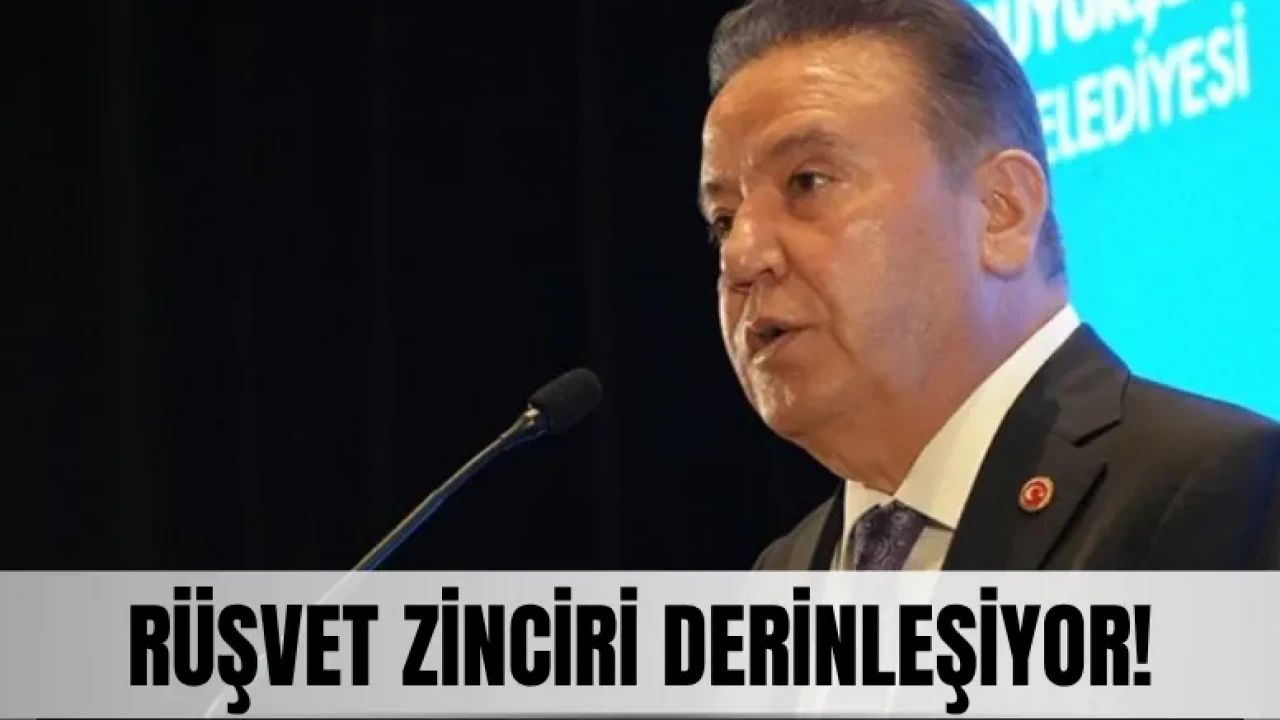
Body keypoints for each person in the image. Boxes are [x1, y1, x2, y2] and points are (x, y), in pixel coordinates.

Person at [698, 0, 1280, 571]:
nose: (740, 255)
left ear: (1003, 211)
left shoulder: (1221, 494)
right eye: (723, 220)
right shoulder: (780, 574)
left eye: (808, 182)